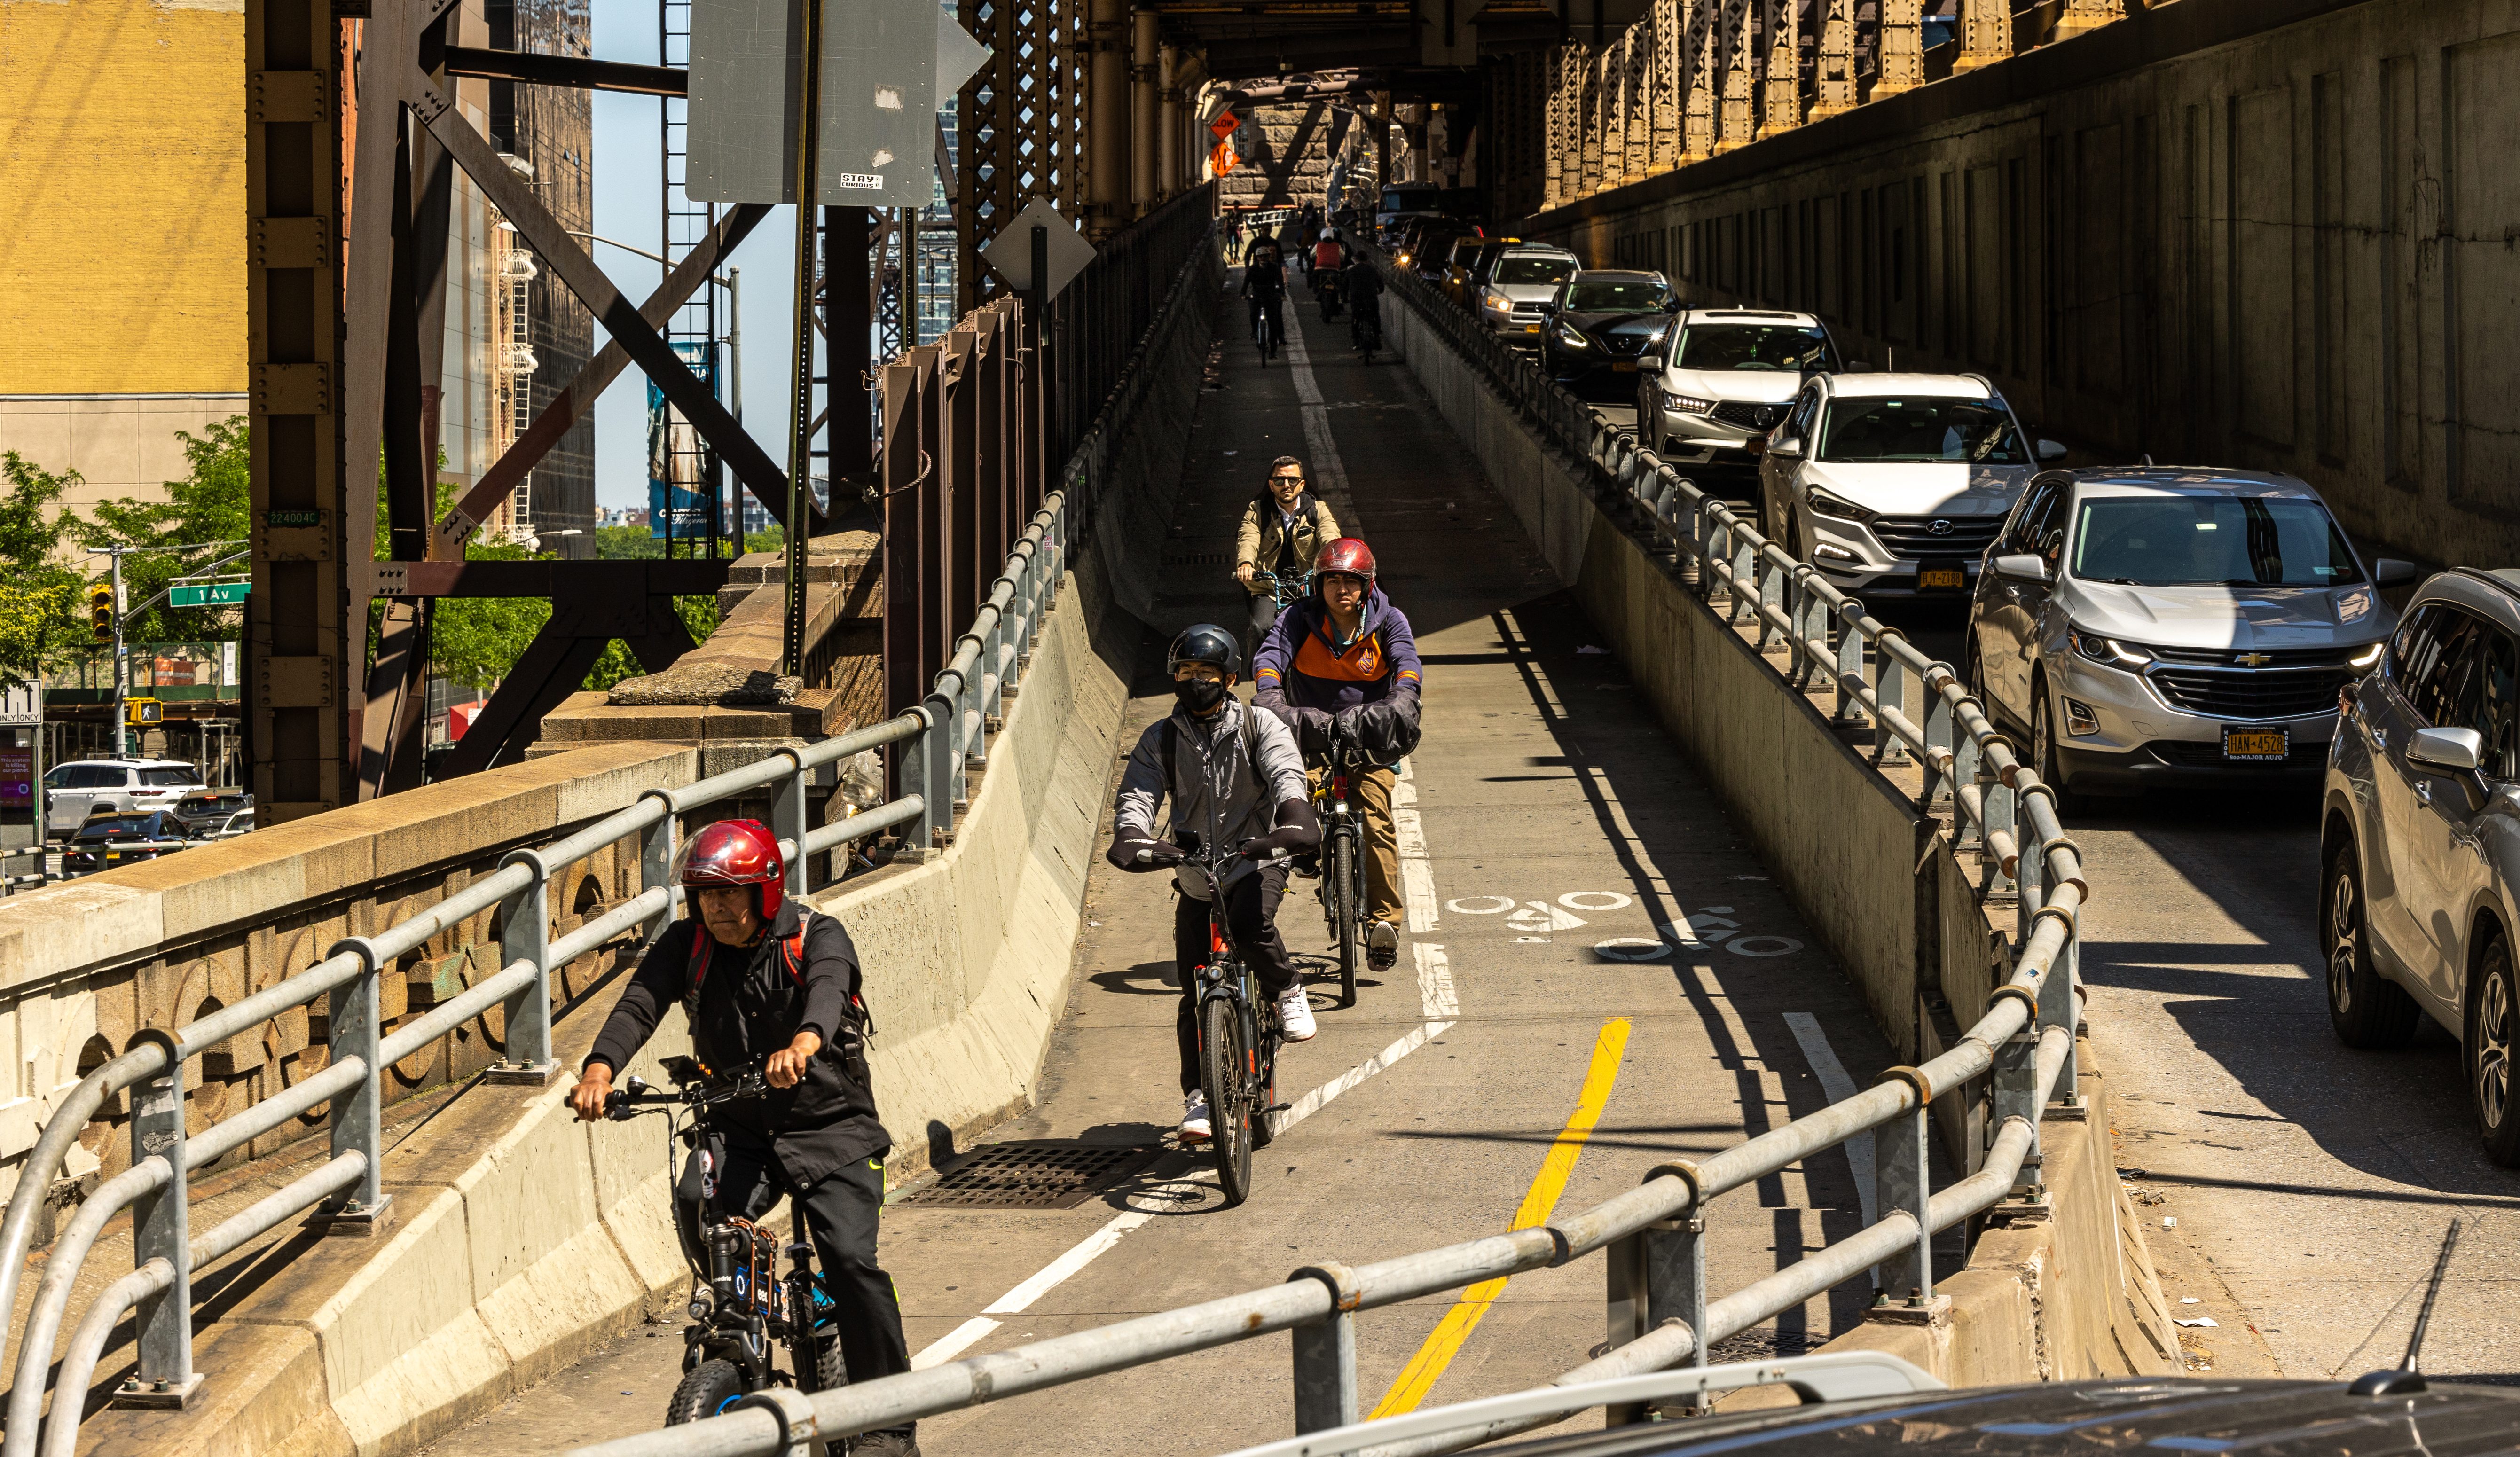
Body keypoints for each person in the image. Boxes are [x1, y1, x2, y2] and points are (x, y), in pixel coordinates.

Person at [569, 821, 919, 1457]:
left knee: (850, 1263)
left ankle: (891, 1426)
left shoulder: (816, 936)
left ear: (765, 890)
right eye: (704, 895)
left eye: (728, 894)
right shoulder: (688, 944)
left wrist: (805, 1043)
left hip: (830, 1128)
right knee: (697, 1207)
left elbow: (829, 990)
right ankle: (741, 1321)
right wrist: (600, 1068)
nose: (715, 907)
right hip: (739, 1125)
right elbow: (640, 1004)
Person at [1108, 626, 1320, 1142]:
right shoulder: (1160, 738)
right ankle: (1200, 1096)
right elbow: (1137, 797)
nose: (1195, 682)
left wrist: (1291, 821)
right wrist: (1136, 838)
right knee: (1192, 990)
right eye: (1185, 673)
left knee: (1250, 921)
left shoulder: (1259, 724)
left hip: (1257, 856)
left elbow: (1286, 776)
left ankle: (1287, 987)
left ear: (1229, 679)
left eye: (1207, 674)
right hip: (1196, 869)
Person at [1253, 539, 1422, 973]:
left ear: (1367, 586)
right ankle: (1308, 851)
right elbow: (1271, 656)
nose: (1341, 589)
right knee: (1290, 799)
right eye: (1332, 580)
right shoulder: (1297, 618)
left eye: (1351, 581)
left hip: (1368, 735)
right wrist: (1270, 692)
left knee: (1376, 815)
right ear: (1319, 585)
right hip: (1307, 731)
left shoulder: (1390, 621)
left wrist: (1402, 699)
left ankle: (1384, 921)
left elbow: (1407, 666)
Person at [1234, 456, 1341, 659]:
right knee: (1260, 629)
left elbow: (1331, 537)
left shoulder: (1317, 510)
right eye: (1279, 480)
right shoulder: (1258, 510)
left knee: (1329, 628)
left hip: (1308, 586)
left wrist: (1334, 560)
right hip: (1269, 588)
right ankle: (1263, 682)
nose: (1286, 485)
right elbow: (1248, 537)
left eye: (1293, 480)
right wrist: (1246, 563)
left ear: (1301, 484)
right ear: (1271, 485)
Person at [1242, 239, 1287, 355]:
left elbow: (1280, 282)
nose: (1263, 259)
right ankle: (1254, 332)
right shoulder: (1253, 269)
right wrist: (1243, 294)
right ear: (1257, 258)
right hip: (1257, 294)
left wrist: (1282, 294)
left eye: (1265, 257)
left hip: (1270, 295)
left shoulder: (1274, 268)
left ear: (1268, 257)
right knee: (1253, 313)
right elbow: (1246, 282)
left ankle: (1273, 352)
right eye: (1260, 257)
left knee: (1273, 323)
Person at [1343, 250, 1385, 356]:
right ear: (1367, 259)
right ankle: (1377, 336)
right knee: (1375, 315)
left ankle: (1356, 341)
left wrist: (1344, 297)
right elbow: (1381, 286)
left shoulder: (1351, 271)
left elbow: (1344, 286)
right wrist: (1379, 291)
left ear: (1356, 260)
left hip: (1356, 299)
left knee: (1355, 318)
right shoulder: (1372, 270)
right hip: (1371, 298)